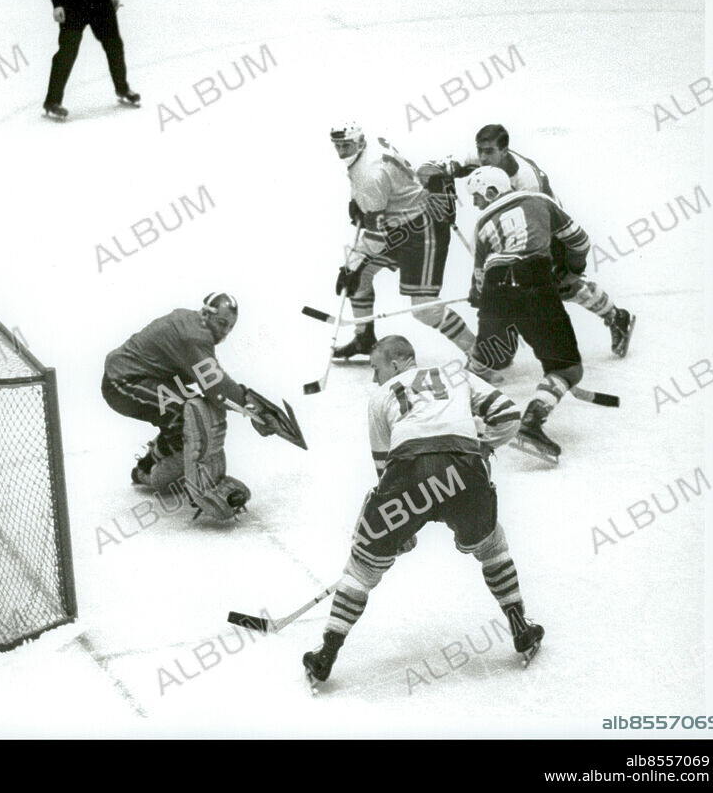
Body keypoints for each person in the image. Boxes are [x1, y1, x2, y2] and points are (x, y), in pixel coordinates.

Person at [302, 335, 543, 685]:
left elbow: (384, 469)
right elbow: (508, 415)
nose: (374, 377)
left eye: (377, 367)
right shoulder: (455, 375)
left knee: (363, 567)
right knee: (492, 547)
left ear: (398, 362)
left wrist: (398, 534)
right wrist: (481, 446)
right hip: (462, 470)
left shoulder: (380, 397)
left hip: (407, 478)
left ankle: (326, 654)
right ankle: (521, 627)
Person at [426, 124, 635, 358]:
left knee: (560, 284)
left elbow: (536, 220)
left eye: (489, 152)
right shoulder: (483, 159)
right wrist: (435, 185)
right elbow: (434, 168)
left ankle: (616, 317)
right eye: (480, 151)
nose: (483, 158)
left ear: (504, 151)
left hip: (544, 226)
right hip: (509, 221)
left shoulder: (526, 180)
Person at [101, 293, 275, 521]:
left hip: (145, 378)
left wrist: (245, 401)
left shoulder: (194, 326)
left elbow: (212, 380)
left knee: (193, 410)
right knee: (185, 414)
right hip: (123, 382)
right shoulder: (194, 336)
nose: (224, 332)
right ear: (205, 313)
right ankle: (159, 473)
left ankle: (154, 462)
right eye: (222, 323)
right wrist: (251, 405)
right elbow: (215, 384)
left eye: (230, 327)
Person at [465, 166, 590, 462]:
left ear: (492, 191)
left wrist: (484, 301)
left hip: (497, 285)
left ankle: (450, 413)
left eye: (477, 197)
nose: (476, 204)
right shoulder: (539, 200)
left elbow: (479, 284)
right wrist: (572, 271)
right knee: (568, 368)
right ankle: (531, 423)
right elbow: (579, 241)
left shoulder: (482, 225)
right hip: (532, 279)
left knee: (487, 357)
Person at [329, 122, 476, 360]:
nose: (341, 152)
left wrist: (351, 264)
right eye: (337, 145)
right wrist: (359, 202)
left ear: (359, 141)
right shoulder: (371, 148)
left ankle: (479, 353)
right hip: (397, 221)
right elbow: (381, 185)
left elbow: (376, 237)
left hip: (422, 228)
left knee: (425, 308)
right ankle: (364, 337)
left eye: (346, 145)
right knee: (359, 277)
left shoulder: (370, 174)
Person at [43, 0, 140, 120]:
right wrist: (57, 3)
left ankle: (123, 89)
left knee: (114, 44)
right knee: (67, 51)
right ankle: (52, 102)